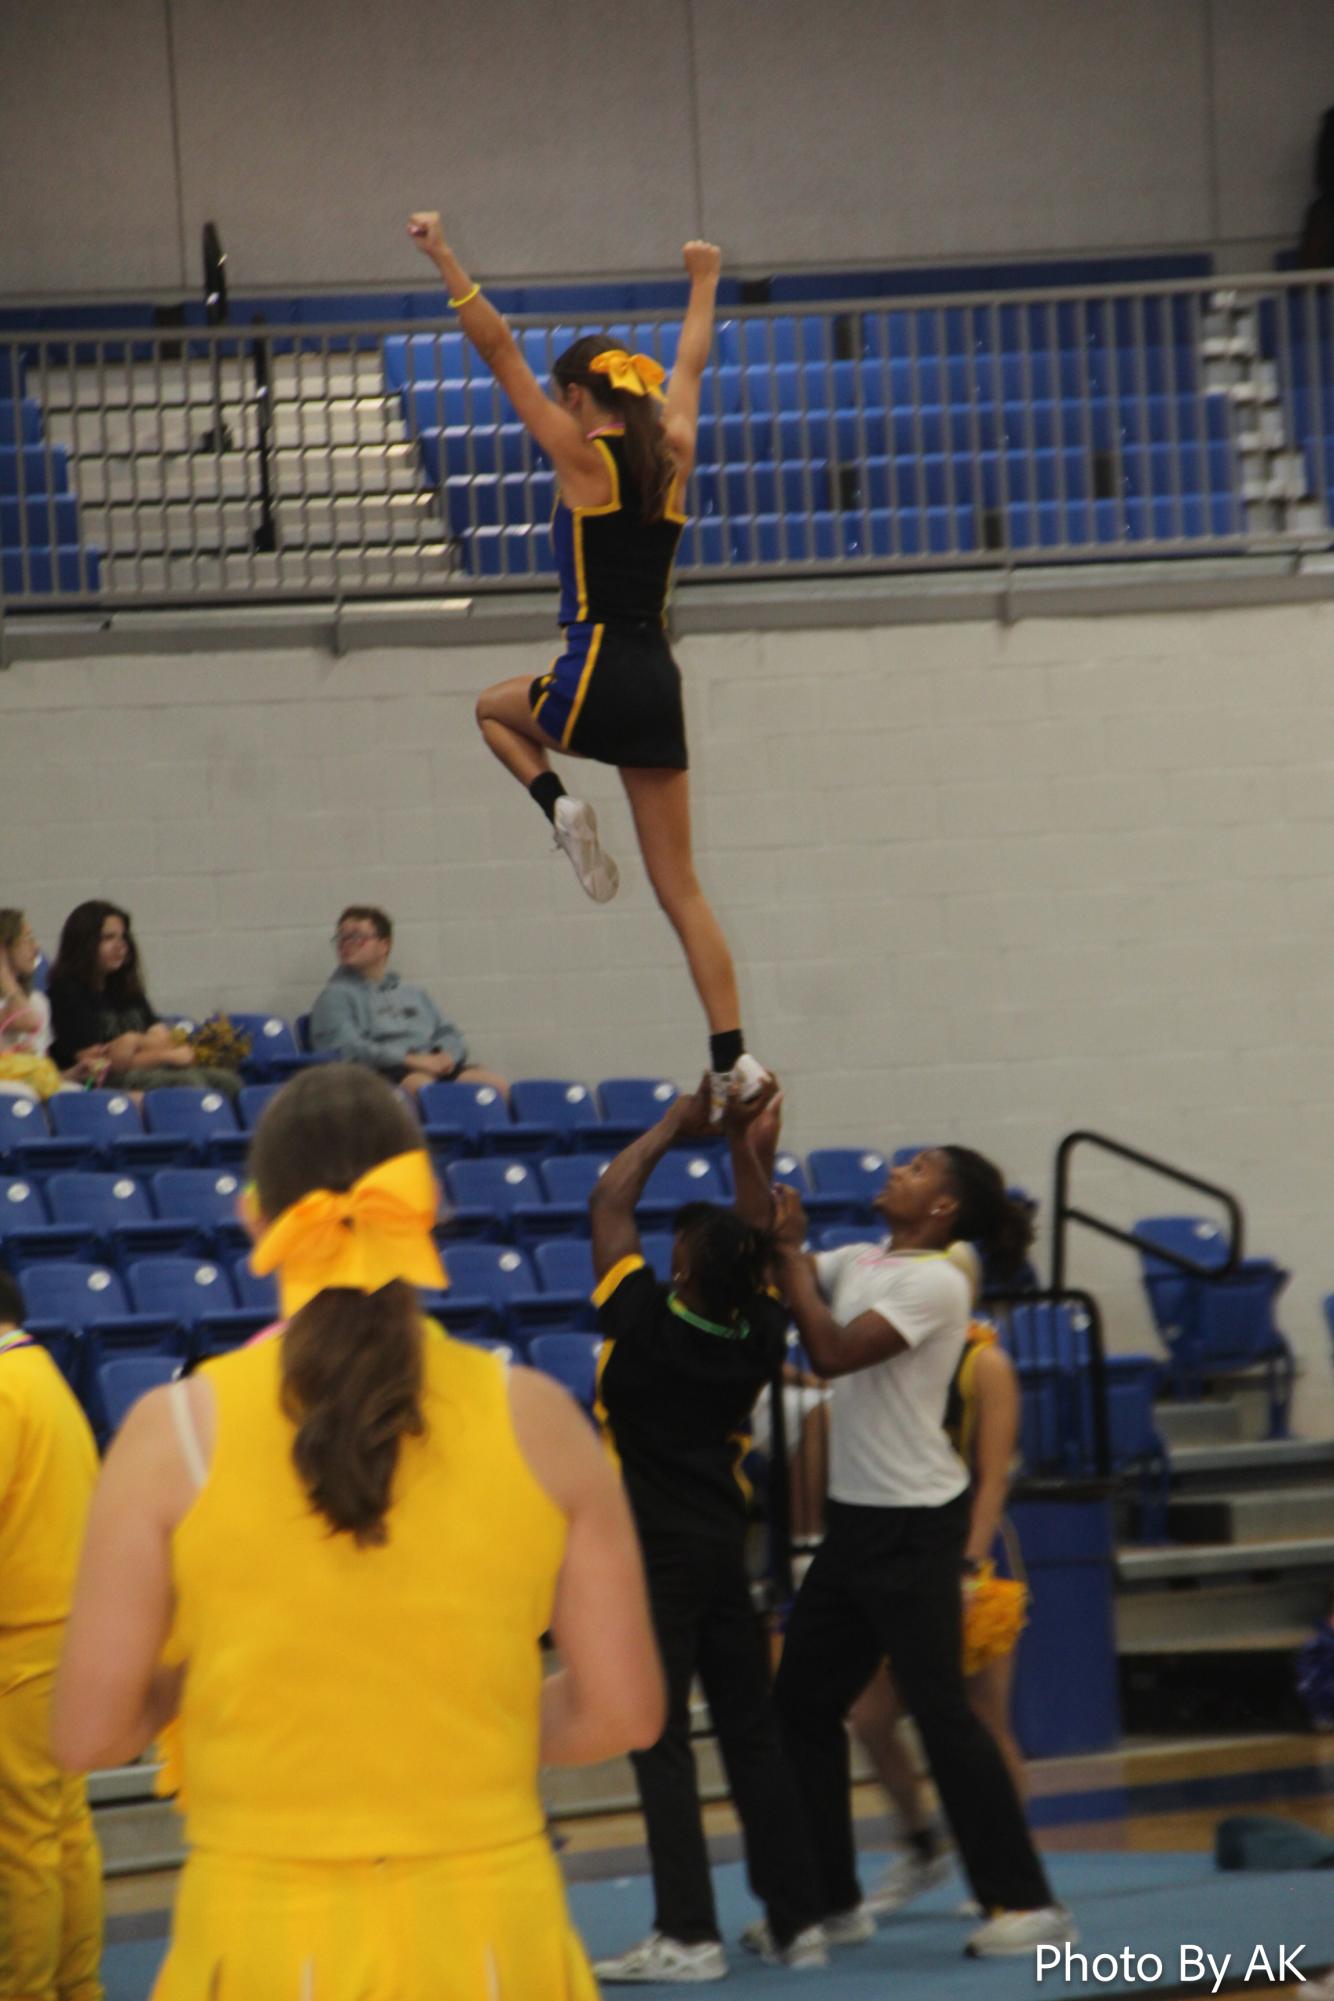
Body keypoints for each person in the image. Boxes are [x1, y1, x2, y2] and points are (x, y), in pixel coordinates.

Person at [52, 1063, 665, 2000]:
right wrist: (468, 1722)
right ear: (427, 1207)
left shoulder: (167, 1435)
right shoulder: (541, 1419)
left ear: (258, 1217)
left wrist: (199, 1683)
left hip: (259, 1937)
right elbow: (623, 1708)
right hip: (493, 1930)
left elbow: (90, 1731)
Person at [406, 211, 768, 1114]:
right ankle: (735, 1061)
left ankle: (559, 806)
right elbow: (689, 364)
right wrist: (701, 278)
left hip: (594, 668)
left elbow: (499, 357)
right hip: (658, 682)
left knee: (491, 709)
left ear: (577, 397)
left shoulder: (581, 459)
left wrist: (446, 253)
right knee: (681, 887)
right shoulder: (673, 452)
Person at [768, 1148, 1076, 1960]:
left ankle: (1026, 1899)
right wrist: (751, 1145)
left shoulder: (937, 1282)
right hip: (857, 1524)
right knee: (800, 1704)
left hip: (914, 1526)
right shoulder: (864, 1258)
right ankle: (831, 1902)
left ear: (942, 1207)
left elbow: (830, 1351)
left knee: (944, 1712)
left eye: (917, 1168)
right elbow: (783, 1258)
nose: (898, 1169)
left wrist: (793, 1254)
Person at [588, 1076, 827, 1983]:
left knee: (660, 1742)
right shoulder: (762, 1330)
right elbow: (758, 1241)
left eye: (681, 1241)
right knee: (750, 1731)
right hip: (727, 1545)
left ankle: (687, 1934)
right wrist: (749, 1147)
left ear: (681, 1266)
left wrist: (676, 1125)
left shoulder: (640, 1322)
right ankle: (797, 1919)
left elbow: (611, 1197)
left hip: (654, 1556)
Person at [849, 1315, 1030, 1916]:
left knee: (983, 1715)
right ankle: (922, 1845)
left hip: (964, 1550)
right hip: (896, 1551)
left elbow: (993, 1479)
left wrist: (970, 1566)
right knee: (870, 1714)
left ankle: (1009, 1866)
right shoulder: (885, 1358)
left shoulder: (984, 1365)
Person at [0, 1268, 104, 2001]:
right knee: (65, 1830)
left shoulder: (5, 1389)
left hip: (20, 1647)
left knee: (24, 1845)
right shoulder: (46, 1378)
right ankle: (78, 1985)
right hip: (66, 1637)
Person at [309, 904, 509, 1099]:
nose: (346, 943)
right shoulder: (334, 996)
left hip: (431, 1065)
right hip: (383, 1073)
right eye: (342, 937)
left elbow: (449, 1033)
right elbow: (348, 1049)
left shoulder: (413, 994)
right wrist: (411, 1060)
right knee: (423, 1087)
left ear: (384, 945)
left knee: (495, 1086)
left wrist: (446, 1057)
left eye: (357, 937)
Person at [47, 900, 239, 1098]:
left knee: (227, 1081)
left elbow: (162, 1037)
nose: (121, 946)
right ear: (84, 943)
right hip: (99, 1083)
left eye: (123, 937)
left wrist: (132, 1041)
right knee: (189, 1084)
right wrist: (167, 1056)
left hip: (145, 1070)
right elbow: (99, 1064)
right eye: (108, 938)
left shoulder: (124, 987)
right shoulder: (66, 992)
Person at [0, 908, 83, 1100]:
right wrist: (3, 971)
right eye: (27, 939)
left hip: (26, 1083)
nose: (35, 948)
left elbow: (40, 1070)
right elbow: (28, 1021)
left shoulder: (38, 1001)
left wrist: (72, 1074)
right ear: (5, 947)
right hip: (9, 1086)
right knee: (22, 1094)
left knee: (74, 1094)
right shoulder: (24, 1008)